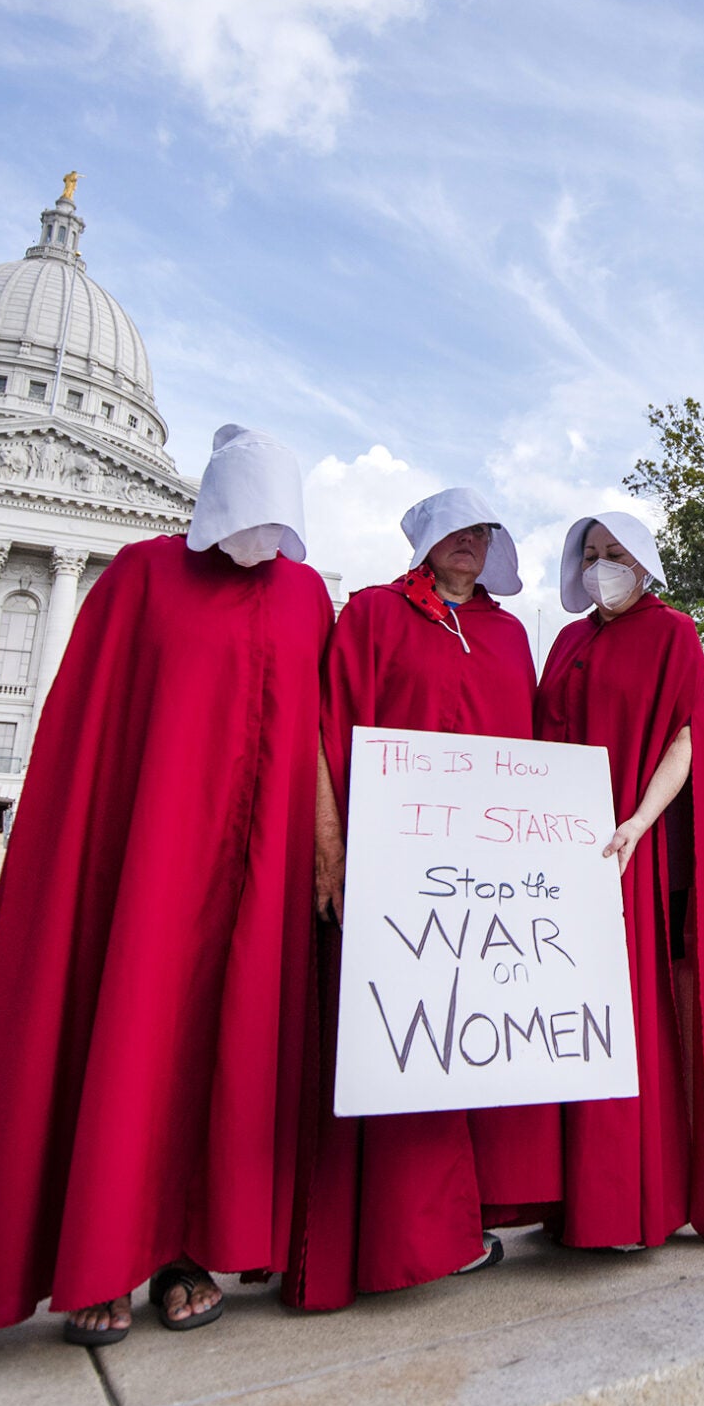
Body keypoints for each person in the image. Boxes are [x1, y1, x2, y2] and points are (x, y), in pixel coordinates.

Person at [0, 426, 334, 1345]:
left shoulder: (307, 595)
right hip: (149, 864)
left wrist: (326, 843)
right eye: (253, 512)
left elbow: (321, 724)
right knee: (132, 1043)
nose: (266, 534)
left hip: (255, 875)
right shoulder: (140, 575)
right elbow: (92, 726)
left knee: (227, 1056)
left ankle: (188, 1251)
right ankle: (102, 1257)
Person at [283, 486, 560, 1310]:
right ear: (427, 540)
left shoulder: (512, 637)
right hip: (395, 883)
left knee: (473, 1049)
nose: (471, 542)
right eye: (457, 530)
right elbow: (328, 730)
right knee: (399, 1056)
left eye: (485, 531)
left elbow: (535, 759)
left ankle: (477, 1216)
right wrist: (328, 846)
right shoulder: (368, 615)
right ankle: (402, 1239)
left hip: (489, 894)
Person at [535, 513, 704, 1251]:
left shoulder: (674, 630)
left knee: (641, 1015)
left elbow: (685, 739)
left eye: (616, 555)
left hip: (635, 848)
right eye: (591, 555)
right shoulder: (568, 641)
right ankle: (577, 1199)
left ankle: (637, 1197)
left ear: (643, 564)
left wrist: (637, 823)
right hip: (566, 850)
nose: (602, 566)